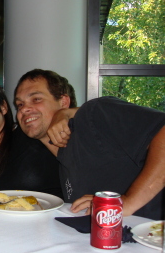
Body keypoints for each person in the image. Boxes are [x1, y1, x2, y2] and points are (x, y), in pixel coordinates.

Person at [14, 68, 165, 219]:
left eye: (36, 99)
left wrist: (126, 203)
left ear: (64, 102)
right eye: (19, 105)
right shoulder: (63, 164)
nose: (24, 109)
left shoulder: (93, 115)